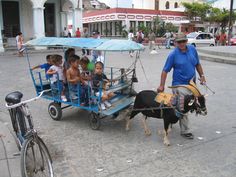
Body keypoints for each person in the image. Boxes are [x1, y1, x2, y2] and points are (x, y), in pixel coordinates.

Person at [157, 33, 206, 139]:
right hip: (178, 85)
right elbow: (165, 71)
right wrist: (161, 85)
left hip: (191, 84)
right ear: (175, 43)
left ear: (186, 41)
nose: (182, 44)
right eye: (179, 42)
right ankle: (185, 131)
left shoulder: (192, 49)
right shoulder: (173, 55)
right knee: (184, 106)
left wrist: (202, 76)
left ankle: (173, 117)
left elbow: (197, 64)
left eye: (183, 41)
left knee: (192, 102)